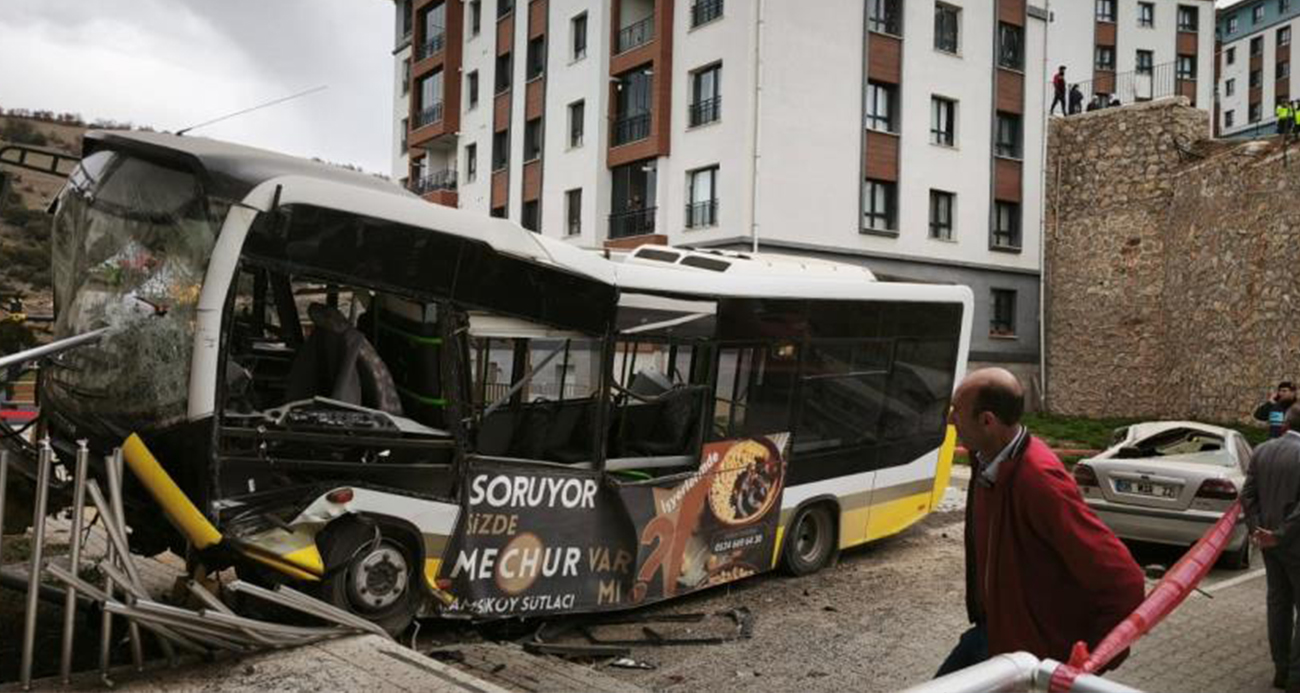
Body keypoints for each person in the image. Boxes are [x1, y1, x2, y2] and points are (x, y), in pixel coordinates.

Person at [935, 368, 1145, 677]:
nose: (951, 420)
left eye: (958, 411)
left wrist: (1088, 662)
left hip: (1026, 656)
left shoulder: (1040, 480)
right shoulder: (988, 458)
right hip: (993, 634)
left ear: (987, 421)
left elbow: (1125, 581)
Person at [1242, 404, 1300, 692]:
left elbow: (1247, 495)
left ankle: (1281, 670)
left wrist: (1258, 531)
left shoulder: (1262, 450)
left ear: (1287, 424)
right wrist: (1280, 535)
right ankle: (1295, 677)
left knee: (1278, 605)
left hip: (1268, 544)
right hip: (1292, 542)